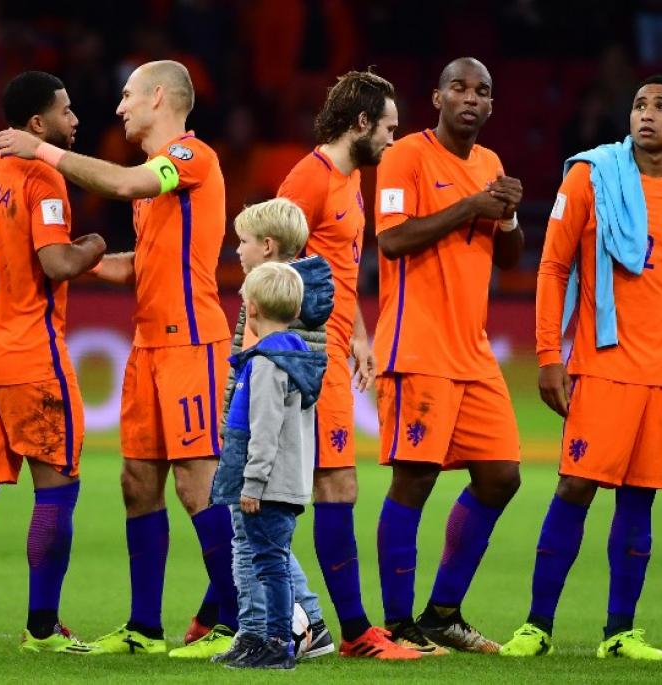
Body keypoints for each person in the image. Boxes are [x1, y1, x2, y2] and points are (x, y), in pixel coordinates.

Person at [0, 60, 239, 658]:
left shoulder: (189, 159)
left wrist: (41, 152)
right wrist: (71, 257)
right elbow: (141, 265)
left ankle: (235, 622)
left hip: (192, 343)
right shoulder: (156, 184)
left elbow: (126, 183)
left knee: (197, 485)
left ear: (159, 97)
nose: (120, 107)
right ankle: (144, 630)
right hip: (149, 344)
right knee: (137, 484)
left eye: (128, 96)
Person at [500, 75, 662, 660]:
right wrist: (550, 355)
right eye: (639, 105)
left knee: (640, 499)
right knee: (574, 487)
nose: (647, 114)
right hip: (602, 363)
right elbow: (551, 267)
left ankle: (619, 633)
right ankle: (536, 626)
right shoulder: (590, 176)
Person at [0, 71, 105, 654]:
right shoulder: (44, 176)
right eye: (66, 109)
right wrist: (92, 248)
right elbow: (57, 263)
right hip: (32, 359)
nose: (75, 118)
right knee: (57, 492)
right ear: (38, 124)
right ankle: (41, 630)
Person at [373, 57, 524, 654]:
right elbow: (390, 240)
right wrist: (471, 206)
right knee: (415, 479)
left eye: (483, 91)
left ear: (491, 105)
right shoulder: (404, 156)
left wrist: (508, 215)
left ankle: (442, 612)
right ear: (436, 97)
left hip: (473, 350)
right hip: (419, 343)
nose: (470, 98)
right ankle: (395, 623)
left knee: (501, 477)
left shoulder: (490, 164)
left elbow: (509, 262)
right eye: (459, 88)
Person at [276, 69, 421, 660]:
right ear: (360, 123)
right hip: (309, 354)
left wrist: (359, 334)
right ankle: (359, 634)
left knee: (309, 487)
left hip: (336, 347)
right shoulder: (307, 180)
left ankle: (216, 615)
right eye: (387, 127)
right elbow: (268, 265)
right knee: (327, 485)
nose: (393, 139)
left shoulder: (352, 182)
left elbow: (337, 271)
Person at [211, 198, 334, 664]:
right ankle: (268, 630)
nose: (237, 250)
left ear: (266, 246)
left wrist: (241, 442)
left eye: (242, 242)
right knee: (264, 546)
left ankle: (280, 633)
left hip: (265, 453)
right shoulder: (303, 299)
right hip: (275, 451)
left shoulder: (272, 303)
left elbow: (262, 389)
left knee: (261, 548)